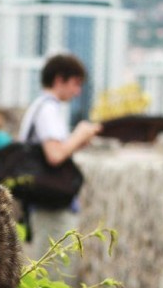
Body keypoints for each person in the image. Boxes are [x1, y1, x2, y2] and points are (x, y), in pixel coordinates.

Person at [17, 54, 102, 273]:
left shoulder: (40, 106)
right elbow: (54, 155)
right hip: (51, 204)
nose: (77, 91)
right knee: (55, 273)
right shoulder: (48, 109)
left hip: (42, 201)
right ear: (59, 79)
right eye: (75, 83)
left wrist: (76, 142)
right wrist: (81, 133)